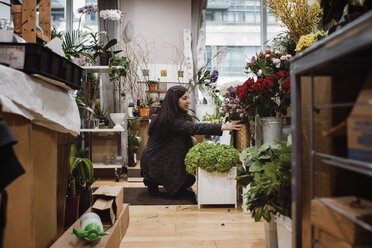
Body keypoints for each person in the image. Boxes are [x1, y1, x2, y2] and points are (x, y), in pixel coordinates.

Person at [140, 86, 242, 197]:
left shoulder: (171, 115)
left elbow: (180, 133)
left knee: (189, 180)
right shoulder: (172, 119)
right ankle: (155, 180)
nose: (188, 101)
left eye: (188, 98)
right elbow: (195, 128)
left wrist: (188, 138)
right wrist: (223, 126)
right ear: (174, 101)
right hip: (154, 162)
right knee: (185, 183)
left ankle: (155, 181)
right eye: (184, 98)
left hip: (155, 160)